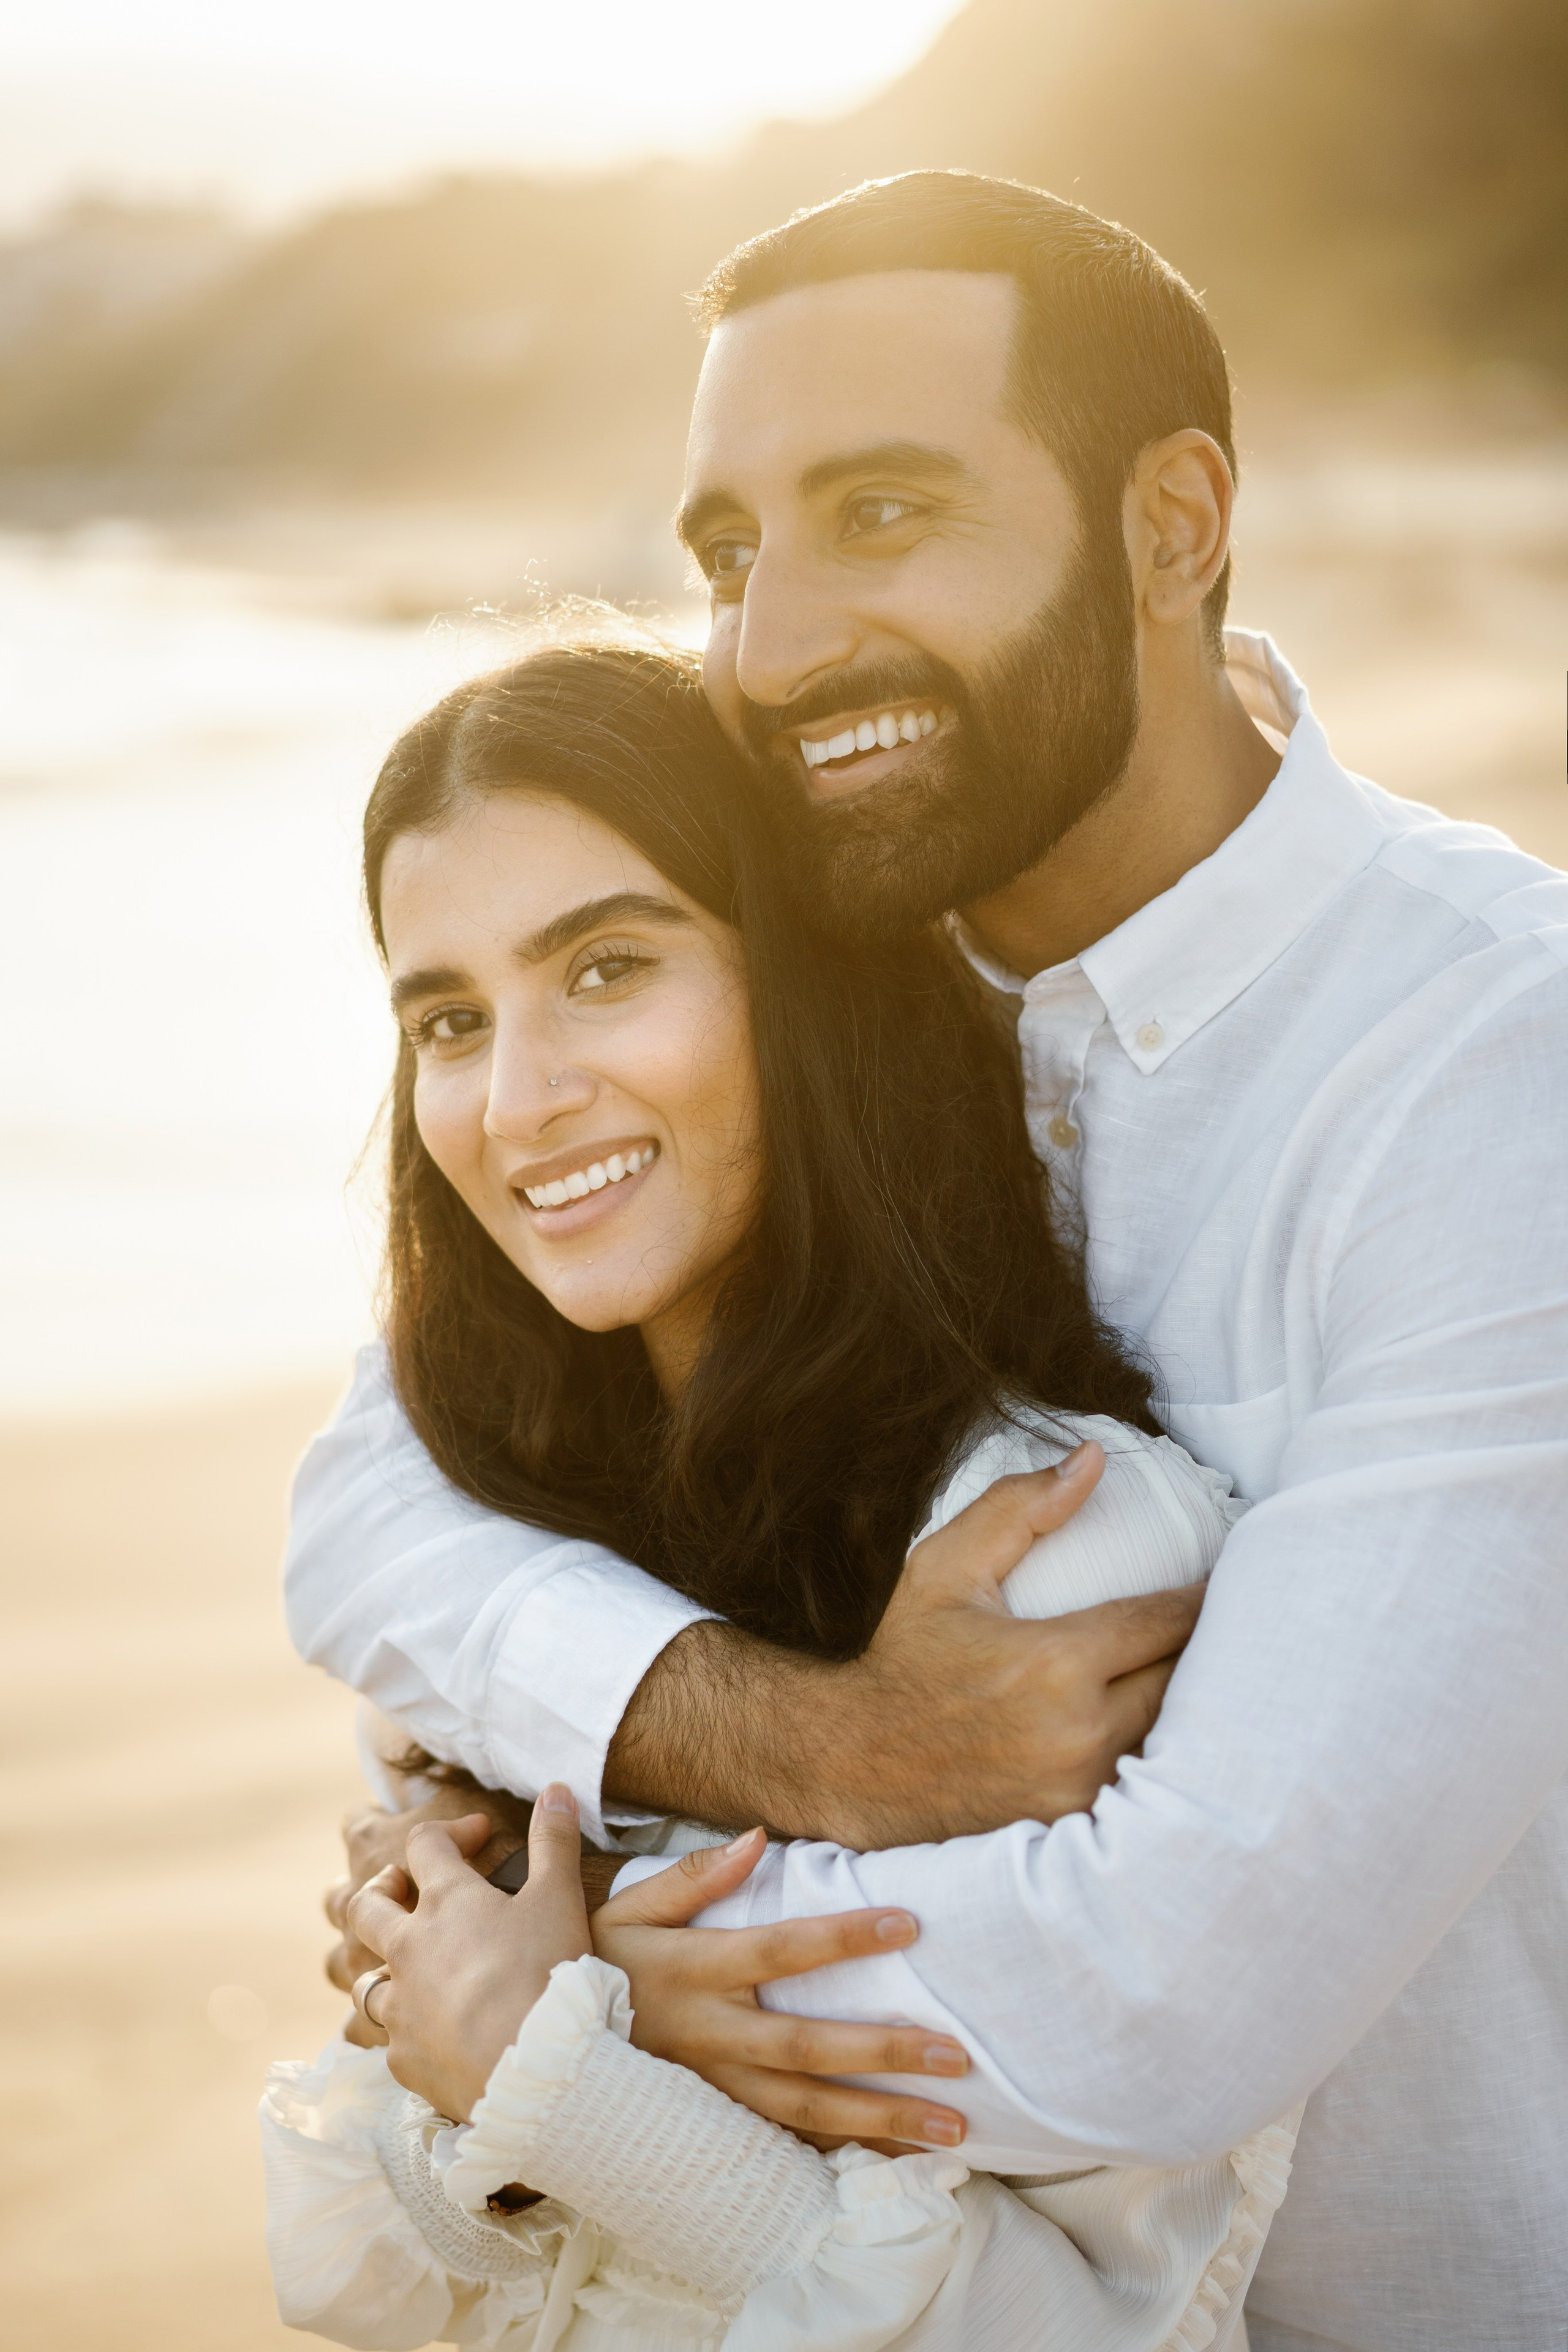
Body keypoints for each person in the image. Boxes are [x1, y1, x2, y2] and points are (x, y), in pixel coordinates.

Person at [287, 175, 1568, 2351]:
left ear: (1172, 528)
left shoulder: (1488, 1067)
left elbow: (1168, 1997)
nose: (769, 650)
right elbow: (378, 1501)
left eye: (883, 514)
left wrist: (575, 1984)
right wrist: (812, 1746)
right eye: (726, 555)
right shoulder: (828, 948)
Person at [261, 636, 1294, 2348]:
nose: (515, 1102)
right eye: (450, 1019)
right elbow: (394, 2274)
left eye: (604, 967)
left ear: (804, 978)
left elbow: (1095, 2329)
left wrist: (563, 2072)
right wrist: (513, 2065)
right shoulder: (507, 1541)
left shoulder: (1047, 1565)